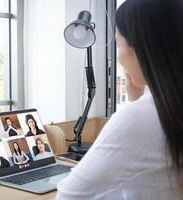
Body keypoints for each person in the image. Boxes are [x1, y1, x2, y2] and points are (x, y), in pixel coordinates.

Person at [56, 0, 183, 199]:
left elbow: (69, 195)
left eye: (117, 42)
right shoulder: (165, 108)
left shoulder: (140, 117)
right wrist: (136, 101)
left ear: (141, 46)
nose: (118, 56)